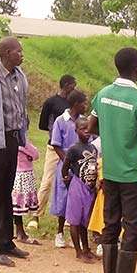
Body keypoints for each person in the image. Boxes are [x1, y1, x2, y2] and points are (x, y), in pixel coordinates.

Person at [89, 47, 137, 273]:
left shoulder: (103, 94)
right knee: (131, 229)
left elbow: (91, 125)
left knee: (110, 225)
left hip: (110, 173)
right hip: (132, 175)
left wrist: (112, 133)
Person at [0, 37, 30, 267]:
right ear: (6, 52)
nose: (22, 54)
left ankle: (7, 241)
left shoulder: (19, 76)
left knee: (6, 191)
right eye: (18, 51)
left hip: (12, 140)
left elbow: (21, 108)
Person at [30, 74, 76, 229]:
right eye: (73, 85)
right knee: (47, 182)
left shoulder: (72, 102)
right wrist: (55, 133)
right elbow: (42, 124)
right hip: (53, 147)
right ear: (66, 85)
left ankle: (69, 216)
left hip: (70, 149)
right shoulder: (51, 102)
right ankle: (36, 216)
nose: (74, 88)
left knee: (71, 182)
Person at [50, 90, 88, 248]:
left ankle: (78, 235)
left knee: (78, 201)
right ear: (75, 105)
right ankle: (60, 233)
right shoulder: (61, 121)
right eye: (84, 103)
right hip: (65, 163)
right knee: (63, 198)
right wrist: (68, 162)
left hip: (81, 167)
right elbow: (56, 144)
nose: (86, 106)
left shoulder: (84, 122)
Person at [62, 117, 98, 264]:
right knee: (75, 220)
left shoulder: (93, 148)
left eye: (88, 128)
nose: (86, 132)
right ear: (76, 131)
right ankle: (78, 252)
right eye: (82, 129)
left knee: (84, 220)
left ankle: (86, 249)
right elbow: (65, 166)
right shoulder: (74, 149)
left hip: (89, 188)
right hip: (78, 186)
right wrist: (67, 180)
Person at [12, 135, 41, 245]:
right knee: (18, 204)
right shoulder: (21, 138)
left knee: (15, 204)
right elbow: (35, 154)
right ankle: (20, 233)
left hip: (16, 172)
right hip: (23, 174)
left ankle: (15, 231)